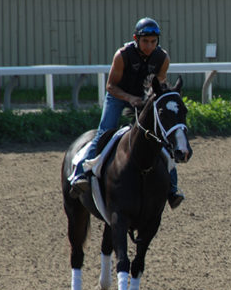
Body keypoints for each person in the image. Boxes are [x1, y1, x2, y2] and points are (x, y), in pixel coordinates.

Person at [69, 17, 184, 209]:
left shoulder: (162, 58)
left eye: (153, 42)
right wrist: (130, 98)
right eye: (145, 41)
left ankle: (172, 187)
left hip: (143, 98)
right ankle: (80, 174)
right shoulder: (122, 55)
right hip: (117, 96)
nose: (149, 46)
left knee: (159, 137)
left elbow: (159, 87)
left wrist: (147, 103)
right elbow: (110, 86)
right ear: (136, 38)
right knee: (104, 132)